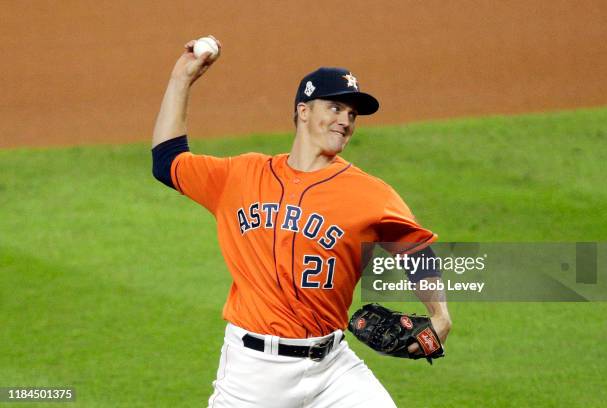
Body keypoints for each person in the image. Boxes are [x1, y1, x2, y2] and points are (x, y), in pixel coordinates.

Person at [151, 38, 452, 408]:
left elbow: (415, 248)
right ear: (304, 111)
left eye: (352, 114)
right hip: (254, 372)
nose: (345, 120)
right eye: (336, 107)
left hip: (333, 367)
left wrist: (440, 315)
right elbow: (166, 161)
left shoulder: (371, 194)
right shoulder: (241, 176)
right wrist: (181, 79)